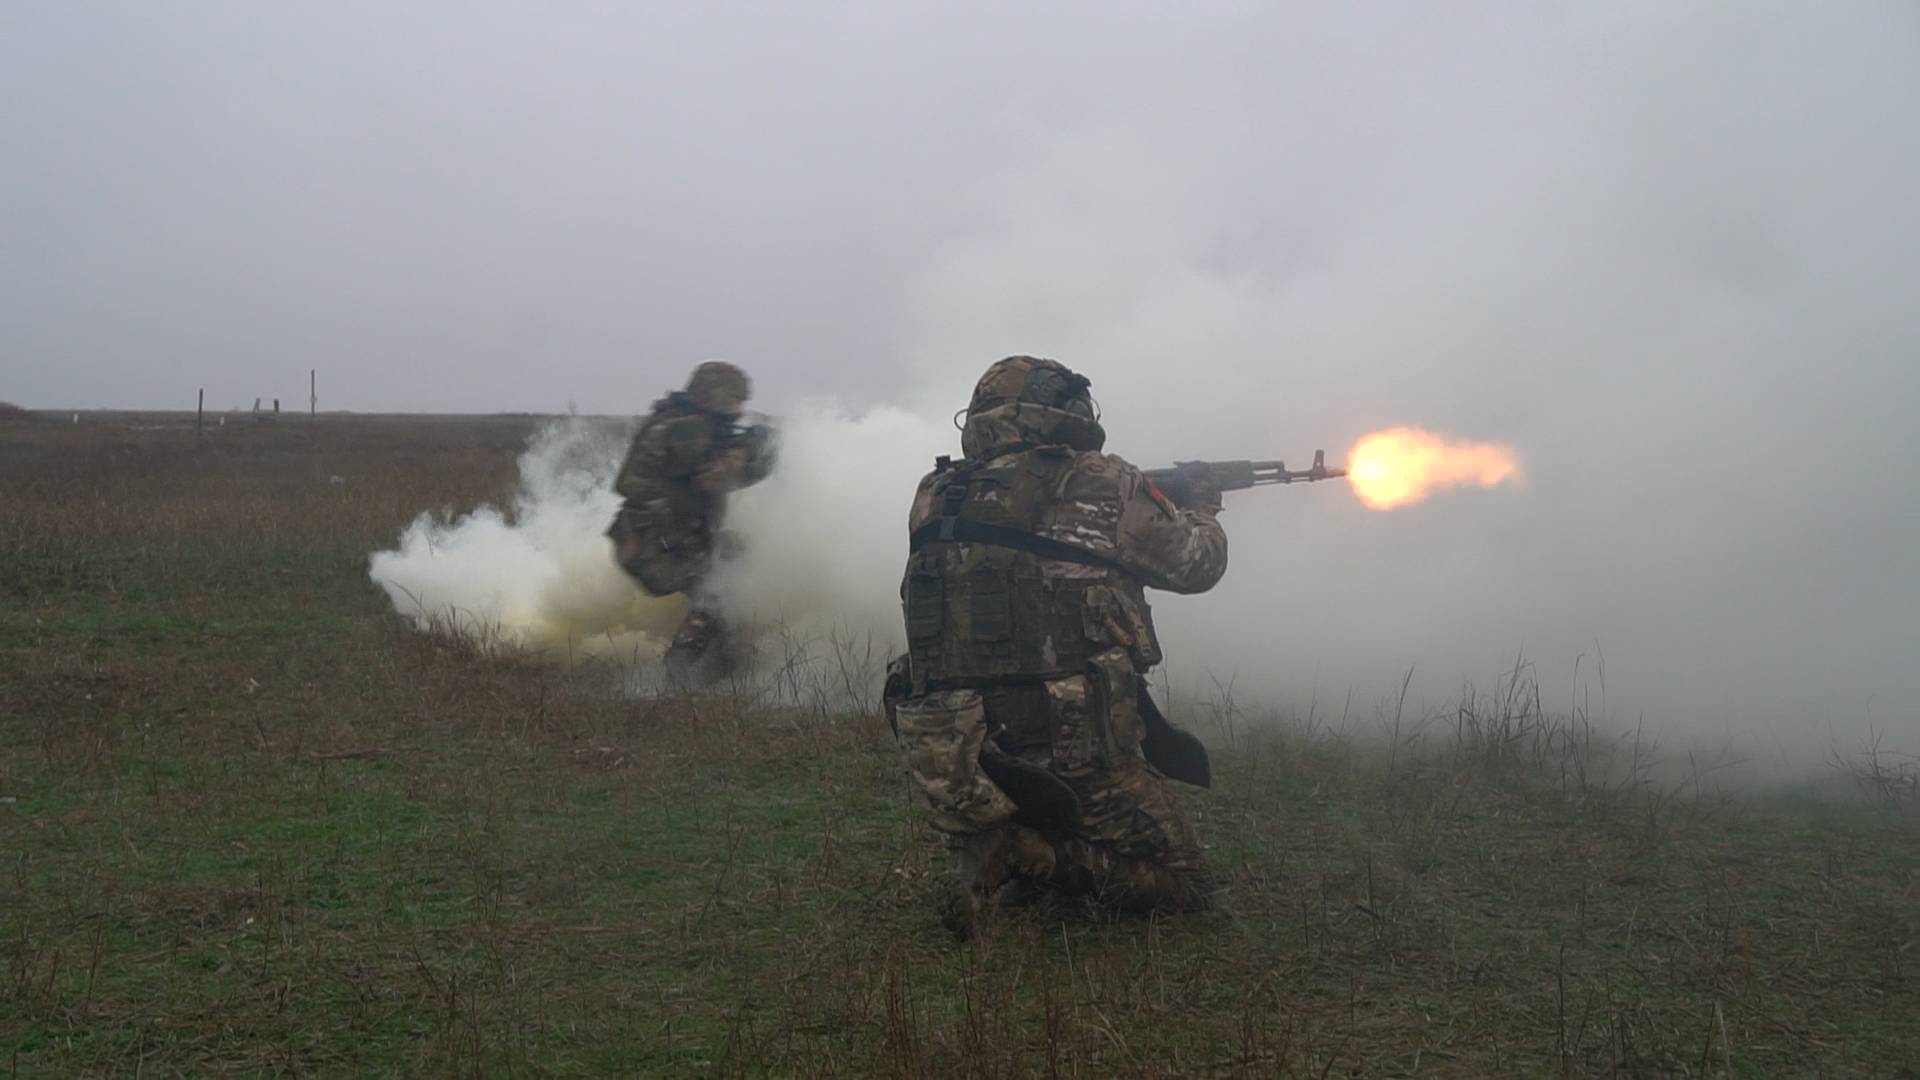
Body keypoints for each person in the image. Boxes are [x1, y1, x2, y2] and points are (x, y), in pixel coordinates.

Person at [887, 355, 1227, 937]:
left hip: (960, 743)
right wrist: (1200, 508)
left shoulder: (935, 492)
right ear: (1066, 413)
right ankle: (1028, 854)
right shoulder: (1099, 480)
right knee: (1187, 884)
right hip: (1071, 734)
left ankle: (1009, 841)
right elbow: (1197, 566)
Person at [608, 361, 775, 682]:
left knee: (733, 555)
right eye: (737, 400)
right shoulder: (688, 432)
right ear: (719, 397)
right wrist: (754, 456)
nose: (741, 410)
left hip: (650, 541)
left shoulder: (676, 423)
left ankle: (726, 663)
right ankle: (681, 668)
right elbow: (712, 479)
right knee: (723, 583)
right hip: (656, 549)